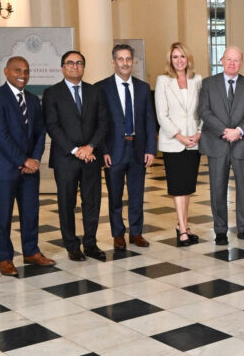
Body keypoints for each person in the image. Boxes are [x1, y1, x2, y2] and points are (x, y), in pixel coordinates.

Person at [0, 56, 55, 274]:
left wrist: (33, 159)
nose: (22, 75)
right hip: (5, 168)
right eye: (17, 71)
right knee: (3, 216)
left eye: (26, 71)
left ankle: (31, 251)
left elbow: (40, 132)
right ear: (6, 72)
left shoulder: (33, 100)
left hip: (30, 169)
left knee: (30, 212)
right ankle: (5, 258)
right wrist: (22, 160)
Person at [43, 51, 108, 262]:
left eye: (78, 63)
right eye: (70, 63)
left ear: (83, 67)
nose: (74, 66)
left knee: (92, 202)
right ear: (63, 67)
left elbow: (103, 123)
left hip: (90, 157)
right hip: (65, 158)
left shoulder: (95, 91)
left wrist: (90, 147)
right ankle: (72, 245)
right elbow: (52, 126)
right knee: (66, 203)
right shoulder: (52, 93)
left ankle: (90, 243)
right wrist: (75, 150)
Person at [198, 46, 244, 245]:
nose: (232, 63)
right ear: (222, 61)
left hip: (241, 143)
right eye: (229, 59)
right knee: (217, 188)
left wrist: (238, 131)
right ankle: (220, 230)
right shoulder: (208, 84)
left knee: (243, 188)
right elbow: (204, 112)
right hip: (217, 142)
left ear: (241, 63)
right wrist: (225, 131)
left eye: (236, 60)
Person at [99, 44, 158, 250]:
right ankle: (118, 234)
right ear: (113, 62)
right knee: (115, 195)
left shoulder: (142, 87)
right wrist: (103, 150)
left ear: (133, 61)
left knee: (137, 194)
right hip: (113, 151)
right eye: (120, 59)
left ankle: (136, 232)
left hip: (138, 149)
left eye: (128, 59)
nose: (125, 63)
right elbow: (100, 123)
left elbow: (150, 120)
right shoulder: (102, 88)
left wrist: (151, 149)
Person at [155, 42, 203, 247]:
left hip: (194, 141)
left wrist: (199, 132)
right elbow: (161, 115)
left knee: (187, 187)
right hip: (174, 142)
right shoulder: (163, 81)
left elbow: (204, 109)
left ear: (188, 59)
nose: (179, 60)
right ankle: (183, 230)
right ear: (170, 60)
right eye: (175, 57)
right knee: (177, 188)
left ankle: (183, 224)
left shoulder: (197, 80)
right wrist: (179, 136)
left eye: (182, 56)